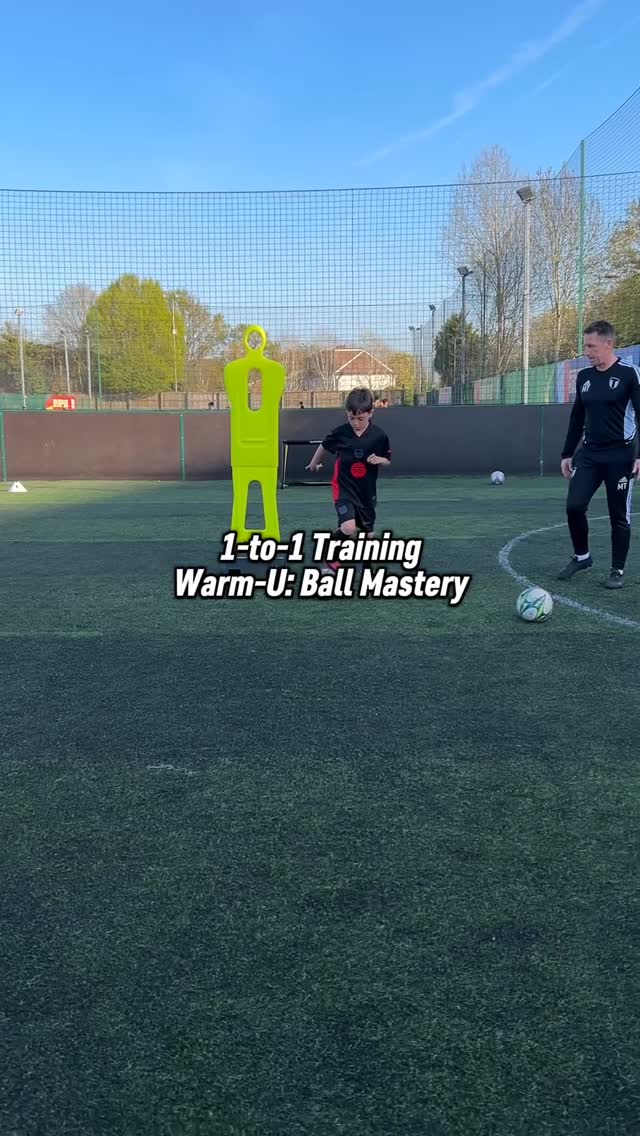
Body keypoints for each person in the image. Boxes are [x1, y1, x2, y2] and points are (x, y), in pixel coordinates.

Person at [558, 320, 640, 588]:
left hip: (621, 456)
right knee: (574, 506)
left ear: (608, 344)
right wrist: (567, 453)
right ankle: (582, 556)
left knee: (619, 515)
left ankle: (617, 569)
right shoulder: (584, 377)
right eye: (585, 346)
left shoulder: (631, 375)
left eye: (591, 346)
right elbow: (576, 418)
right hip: (589, 455)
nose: (587, 352)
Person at [305, 386, 391, 573]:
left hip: (366, 492)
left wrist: (379, 459)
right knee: (348, 527)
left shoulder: (379, 436)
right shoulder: (340, 433)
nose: (356, 423)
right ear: (347, 414)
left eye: (360, 418)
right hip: (343, 488)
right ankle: (331, 561)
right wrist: (313, 463)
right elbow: (324, 446)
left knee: (368, 533)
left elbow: (387, 459)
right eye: (352, 418)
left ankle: (368, 570)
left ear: (371, 413)